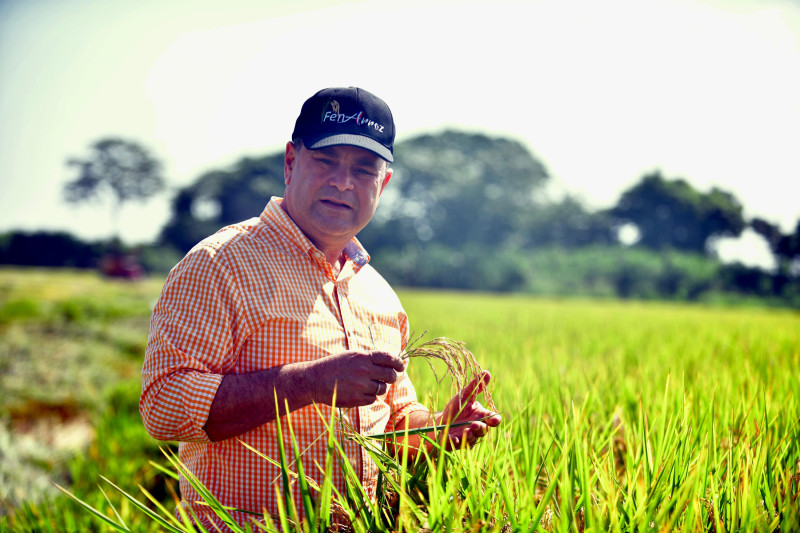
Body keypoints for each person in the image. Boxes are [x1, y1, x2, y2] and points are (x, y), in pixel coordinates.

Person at [139, 86, 501, 530]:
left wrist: (438, 429)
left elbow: (391, 423)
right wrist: (311, 383)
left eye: (364, 170)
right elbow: (163, 406)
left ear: (383, 184)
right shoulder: (220, 265)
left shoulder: (379, 295)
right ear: (291, 162)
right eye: (327, 161)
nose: (343, 182)